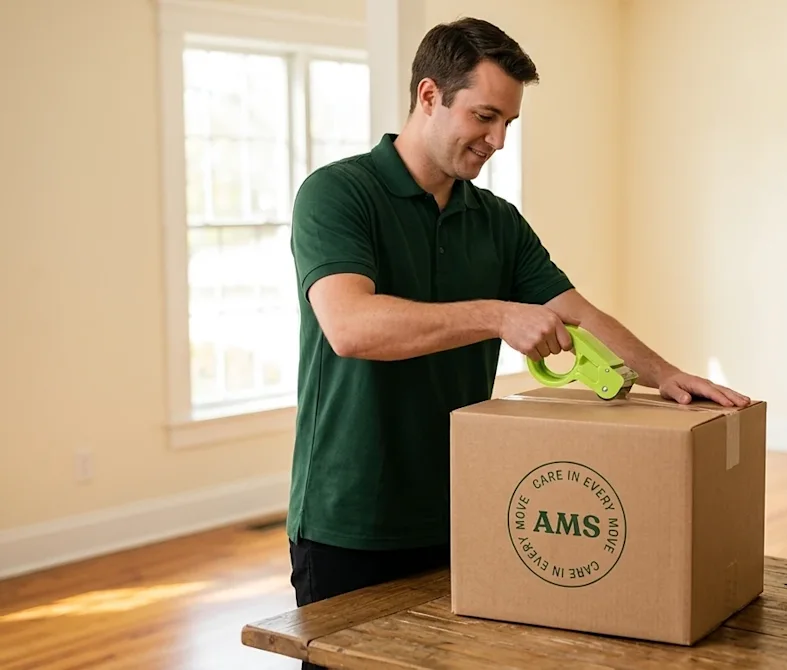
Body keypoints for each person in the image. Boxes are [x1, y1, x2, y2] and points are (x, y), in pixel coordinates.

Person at [285, 17, 750, 664]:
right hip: (350, 520)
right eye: (484, 116)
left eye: (508, 122)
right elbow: (351, 327)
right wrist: (498, 315)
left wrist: (664, 373)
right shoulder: (338, 194)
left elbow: (577, 314)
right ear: (429, 96)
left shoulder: (496, 221)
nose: (498, 140)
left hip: (468, 508)